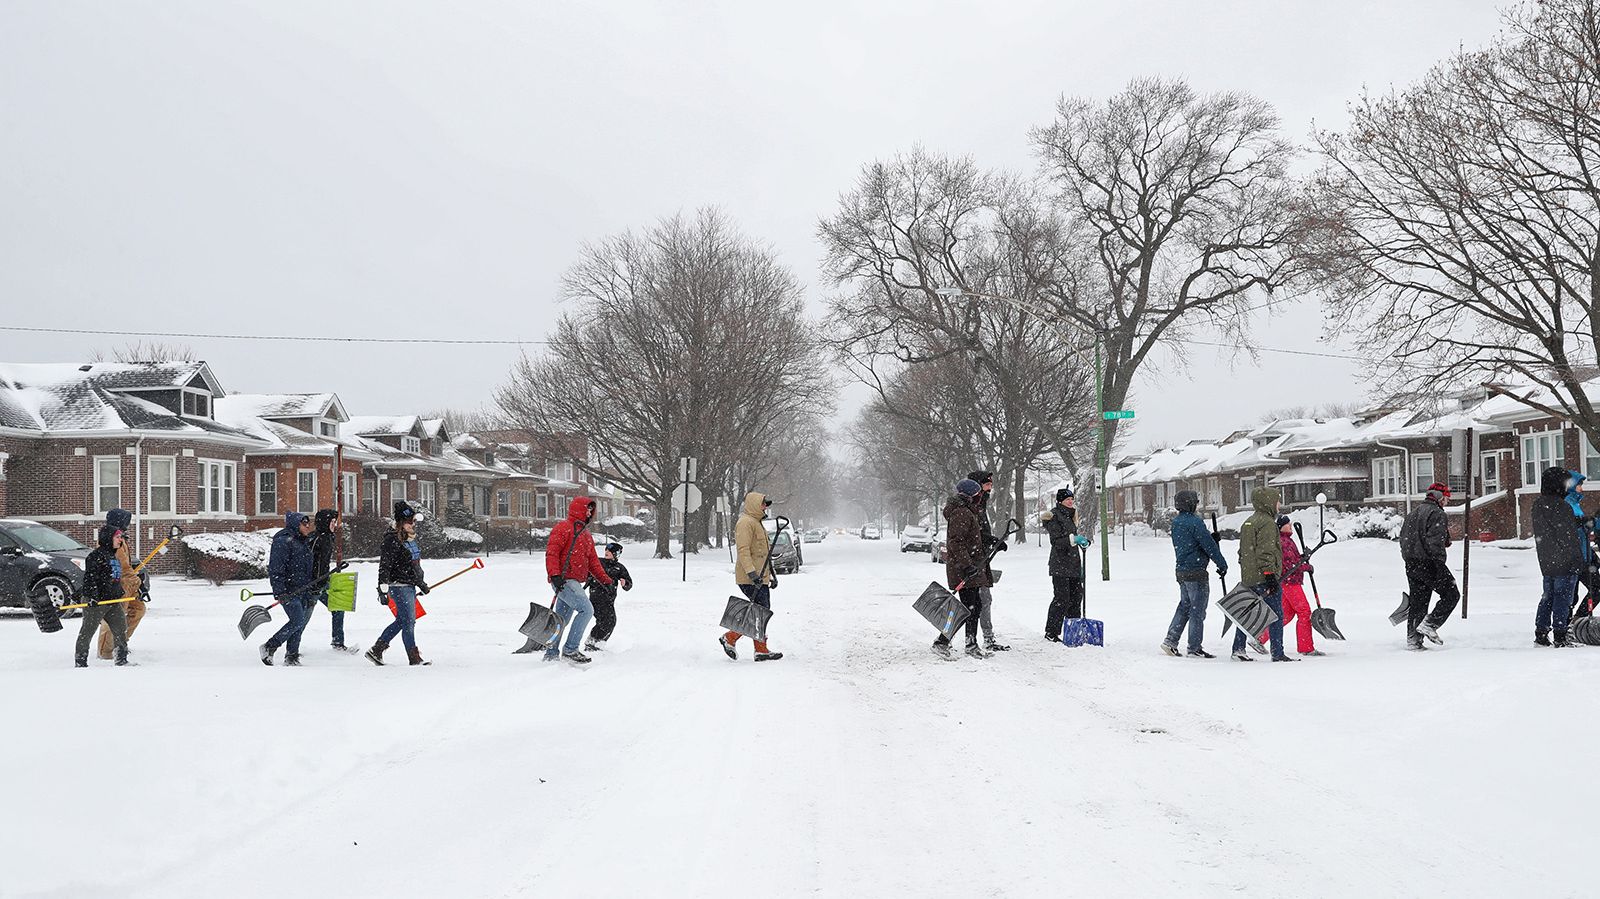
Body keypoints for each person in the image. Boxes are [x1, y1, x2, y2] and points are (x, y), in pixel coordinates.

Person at [1161, 489, 1228, 658]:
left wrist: (1211, 538)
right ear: (1190, 503)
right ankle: (1194, 647)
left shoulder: (1177, 522)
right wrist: (1222, 563)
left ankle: (1171, 640)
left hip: (1182, 571)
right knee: (1197, 610)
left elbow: (1191, 543)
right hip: (1196, 572)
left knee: (1185, 606)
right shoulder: (1195, 522)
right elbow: (1208, 546)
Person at [546, 496, 611, 664]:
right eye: (587, 509)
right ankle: (570, 649)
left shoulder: (586, 535)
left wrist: (606, 580)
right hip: (564, 580)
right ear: (578, 509)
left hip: (573, 581)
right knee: (586, 610)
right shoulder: (563, 528)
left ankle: (551, 653)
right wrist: (554, 575)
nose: (589, 512)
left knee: (562, 619)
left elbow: (593, 562)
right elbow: (552, 553)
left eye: (591, 510)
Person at [367, 502, 432, 666]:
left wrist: (421, 584)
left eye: (415, 521)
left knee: (403, 621)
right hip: (398, 586)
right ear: (402, 522)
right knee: (408, 622)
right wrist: (382, 589)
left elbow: (413, 566)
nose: (414, 525)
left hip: (408, 585)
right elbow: (385, 566)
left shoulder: (408, 540)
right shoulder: (392, 540)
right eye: (411, 521)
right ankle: (413, 658)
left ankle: (377, 649)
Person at [720, 492, 783, 662]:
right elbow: (743, 551)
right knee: (759, 611)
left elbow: (763, 554)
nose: (765, 507)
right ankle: (731, 637)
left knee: (760, 610)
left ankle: (758, 648)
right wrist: (752, 573)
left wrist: (771, 576)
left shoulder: (756, 523)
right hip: (749, 577)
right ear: (755, 504)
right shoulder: (745, 523)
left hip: (760, 576)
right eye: (763, 504)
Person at [1398, 481, 1461, 650]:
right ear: (1439, 497)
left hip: (1411, 564)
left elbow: (1403, 540)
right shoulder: (1436, 513)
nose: (1447, 501)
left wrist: (1409, 559)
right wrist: (1439, 564)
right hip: (1429, 562)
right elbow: (1434, 542)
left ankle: (1413, 640)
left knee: (1419, 601)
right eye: (1446, 497)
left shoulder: (1413, 513)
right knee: (1452, 594)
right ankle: (1431, 624)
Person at [934, 478, 990, 660]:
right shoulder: (961, 513)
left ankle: (970, 643)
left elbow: (971, 538)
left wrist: (991, 541)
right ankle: (942, 642)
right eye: (978, 494)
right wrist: (967, 565)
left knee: (974, 606)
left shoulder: (966, 512)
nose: (980, 497)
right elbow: (956, 542)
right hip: (963, 568)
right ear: (970, 495)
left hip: (969, 566)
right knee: (967, 607)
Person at [1237, 487, 1293, 662]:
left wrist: (1247, 570)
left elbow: (1243, 552)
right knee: (1276, 614)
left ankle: (1238, 648)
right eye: (1277, 501)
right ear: (1268, 501)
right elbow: (1266, 551)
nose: (1279, 505)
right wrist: (1270, 575)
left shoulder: (1249, 521)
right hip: (1264, 577)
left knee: (1246, 614)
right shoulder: (1267, 523)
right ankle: (1277, 652)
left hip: (1249, 577)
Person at [1533, 466, 1584, 647]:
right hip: (1564, 560)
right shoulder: (1561, 506)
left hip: (1547, 560)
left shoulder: (1539, 505)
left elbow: (1548, 531)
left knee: (1548, 596)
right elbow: (1567, 535)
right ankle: (1560, 635)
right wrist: (1577, 560)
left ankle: (1541, 632)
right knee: (1563, 598)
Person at [260, 511, 317, 666]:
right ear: (295, 524)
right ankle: (270, 646)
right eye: (304, 524)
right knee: (297, 621)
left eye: (308, 523)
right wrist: (280, 591)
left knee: (298, 622)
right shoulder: (284, 541)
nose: (307, 526)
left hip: (302, 588)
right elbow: (276, 568)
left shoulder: (302, 541)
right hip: (288, 590)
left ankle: (291, 656)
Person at [1265, 516, 1322, 657]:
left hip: (1287, 582)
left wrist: (1302, 557)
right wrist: (1306, 566)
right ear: (1281, 527)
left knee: (1286, 614)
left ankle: (1259, 637)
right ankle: (1306, 647)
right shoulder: (1283, 542)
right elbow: (1290, 566)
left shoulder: (1286, 541)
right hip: (1290, 582)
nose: (1290, 526)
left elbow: (1293, 560)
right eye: (1287, 524)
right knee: (1304, 612)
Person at [966, 470, 1010, 652]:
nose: (990, 486)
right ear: (977, 486)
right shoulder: (972, 505)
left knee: (982, 599)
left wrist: (991, 541)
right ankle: (950, 638)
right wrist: (989, 539)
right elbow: (971, 533)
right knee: (976, 601)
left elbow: (979, 531)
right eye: (987, 484)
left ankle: (985, 637)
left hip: (979, 557)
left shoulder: (981, 504)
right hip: (972, 561)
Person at [76, 524, 132, 667]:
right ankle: (80, 661)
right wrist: (92, 596)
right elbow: (90, 578)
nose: (120, 540)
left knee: (121, 628)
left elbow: (114, 579)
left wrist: (120, 593)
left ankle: (121, 659)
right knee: (87, 631)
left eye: (121, 537)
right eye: (117, 537)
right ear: (108, 538)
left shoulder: (114, 556)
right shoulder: (95, 556)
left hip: (112, 601)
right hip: (97, 602)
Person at [1041, 487, 1090, 642]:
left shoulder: (1070, 516)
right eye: (1068, 499)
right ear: (1060, 501)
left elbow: (1071, 539)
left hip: (1074, 563)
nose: (1071, 501)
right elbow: (1056, 542)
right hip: (1060, 564)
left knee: (1076, 597)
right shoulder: (1054, 516)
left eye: (1072, 499)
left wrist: (1082, 542)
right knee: (1062, 598)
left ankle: (1072, 630)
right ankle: (1051, 632)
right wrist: (1073, 540)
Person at [96, 508, 144, 661]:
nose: (128, 524)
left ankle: (120, 643)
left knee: (138, 609)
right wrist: (137, 581)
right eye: (126, 520)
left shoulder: (120, 537)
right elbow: (121, 567)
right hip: (114, 584)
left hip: (127, 584)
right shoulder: (110, 538)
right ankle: (106, 651)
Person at [309, 508, 355, 653]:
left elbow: (323, 564)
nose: (335, 525)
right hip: (313, 583)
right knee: (302, 617)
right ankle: (290, 648)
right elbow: (314, 563)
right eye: (333, 521)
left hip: (322, 581)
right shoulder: (318, 539)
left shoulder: (327, 537)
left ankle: (338, 642)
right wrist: (317, 583)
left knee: (338, 607)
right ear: (325, 522)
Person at [584, 542, 632, 652]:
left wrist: (626, 584)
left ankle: (594, 642)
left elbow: (629, 583)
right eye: (606, 550)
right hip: (596, 597)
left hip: (609, 600)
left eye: (610, 551)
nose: (606, 552)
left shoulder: (619, 568)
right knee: (608, 621)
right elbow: (587, 571)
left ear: (616, 554)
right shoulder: (598, 562)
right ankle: (594, 643)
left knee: (606, 621)